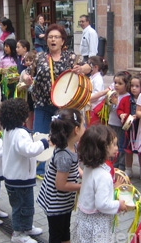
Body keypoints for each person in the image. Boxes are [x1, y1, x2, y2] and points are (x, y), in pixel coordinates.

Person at [22, 23, 92, 176]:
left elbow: (89, 67)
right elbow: (26, 73)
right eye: (50, 37)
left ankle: (66, 167)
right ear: (46, 40)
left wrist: (82, 69)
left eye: (56, 37)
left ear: (62, 41)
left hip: (65, 107)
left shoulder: (71, 57)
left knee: (66, 137)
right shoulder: (39, 57)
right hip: (42, 103)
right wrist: (26, 78)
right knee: (40, 136)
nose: (53, 40)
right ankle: (39, 170)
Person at [0, 98, 49, 243]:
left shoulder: (9, 129)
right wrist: (44, 143)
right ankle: (18, 233)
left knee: (26, 205)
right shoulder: (19, 133)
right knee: (21, 207)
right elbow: (28, 150)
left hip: (17, 177)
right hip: (19, 178)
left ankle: (26, 226)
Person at [72, 125, 127, 243]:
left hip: (87, 218)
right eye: (113, 144)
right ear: (103, 148)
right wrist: (119, 204)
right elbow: (102, 204)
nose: (116, 148)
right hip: (97, 222)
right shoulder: (103, 175)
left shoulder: (89, 166)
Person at [37, 109, 83, 243]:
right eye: (83, 125)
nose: (85, 128)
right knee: (56, 237)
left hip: (64, 202)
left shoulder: (70, 145)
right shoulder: (64, 155)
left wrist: (84, 174)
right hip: (56, 203)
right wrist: (82, 187)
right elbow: (60, 185)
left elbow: (75, 168)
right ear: (76, 130)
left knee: (65, 231)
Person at [116, 73, 141, 179]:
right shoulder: (126, 99)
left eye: (137, 86)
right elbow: (119, 109)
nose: (134, 88)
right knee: (128, 151)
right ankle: (128, 169)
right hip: (128, 129)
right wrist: (121, 114)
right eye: (132, 86)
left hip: (140, 129)